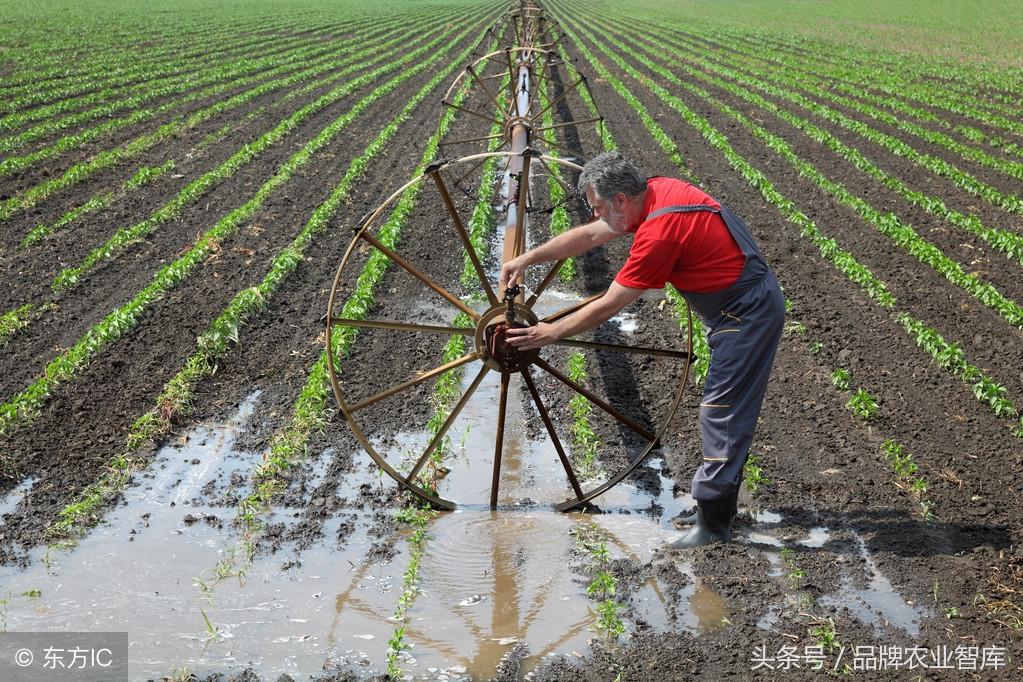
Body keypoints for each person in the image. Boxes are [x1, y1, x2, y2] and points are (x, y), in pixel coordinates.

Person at [499, 151, 784, 548]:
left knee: (722, 410)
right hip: (737, 305)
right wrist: (529, 257)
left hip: (747, 313)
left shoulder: (660, 230)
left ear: (620, 200)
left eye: (599, 207)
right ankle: (716, 506)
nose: (598, 217)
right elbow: (591, 235)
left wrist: (552, 331)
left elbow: (612, 302)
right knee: (723, 407)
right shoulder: (655, 193)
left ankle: (714, 525)